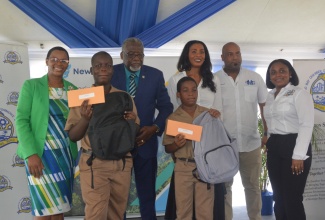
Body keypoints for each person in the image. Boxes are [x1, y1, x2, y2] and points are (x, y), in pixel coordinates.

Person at [65, 51, 139, 220]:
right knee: (96, 214)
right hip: (94, 163)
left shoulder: (124, 97)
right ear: (92, 70)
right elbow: (73, 136)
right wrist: (84, 119)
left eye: (107, 65)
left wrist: (132, 122)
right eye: (98, 65)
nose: (103, 69)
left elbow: (133, 133)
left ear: (113, 70)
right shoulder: (82, 98)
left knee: (116, 214)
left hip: (121, 163)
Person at [111, 37, 173, 219]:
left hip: (146, 143)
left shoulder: (155, 75)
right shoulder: (111, 73)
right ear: (122, 55)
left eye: (140, 55)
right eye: (131, 54)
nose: (136, 58)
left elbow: (166, 107)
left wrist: (154, 128)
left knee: (147, 196)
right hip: (117, 146)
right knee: (118, 196)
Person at [15, 46, 78, 220]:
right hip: (40, 157)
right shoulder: (32, 86)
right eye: (54, 59)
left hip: (64, 157)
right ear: (47, 61)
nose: (59, 63)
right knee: (42, 211)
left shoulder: (73, 90)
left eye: (63, 60)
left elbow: (78, 122)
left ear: (67, 64)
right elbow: (21, 121)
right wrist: (31, 154)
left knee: (60, 209)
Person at [165, 40, 225, 220]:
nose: (198, 55)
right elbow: (174, 113)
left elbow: (219, 110)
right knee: (183, 208)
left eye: (202, 51)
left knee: (205, 208)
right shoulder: (175, 79)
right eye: (194, 51)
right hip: (185, 149)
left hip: (207, 147)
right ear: (187, 54)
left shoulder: (213, 78)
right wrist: (176, 147)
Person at [215, 42, 268, 220]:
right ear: (222, 57)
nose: (235, 57)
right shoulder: (214, 80)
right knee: (225, 187)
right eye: (230, 54)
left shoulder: (255, 77)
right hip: (224, 144)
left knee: (252, 186)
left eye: (237, 53)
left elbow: (264, 107)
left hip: (251, 142)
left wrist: (267, 133)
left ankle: (256, 217)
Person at [263, 59, 313, 220]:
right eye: (273, 72)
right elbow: (271, 123)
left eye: (282, 70)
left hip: (295, 145)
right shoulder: (269, 96)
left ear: (290, 73)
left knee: (292, 199)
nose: (278, 74)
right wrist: (269, 141)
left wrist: (298, 156)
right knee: (279, 197)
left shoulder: (300, 94)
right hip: (275, 146)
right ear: (269, 77)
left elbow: (306, 125)